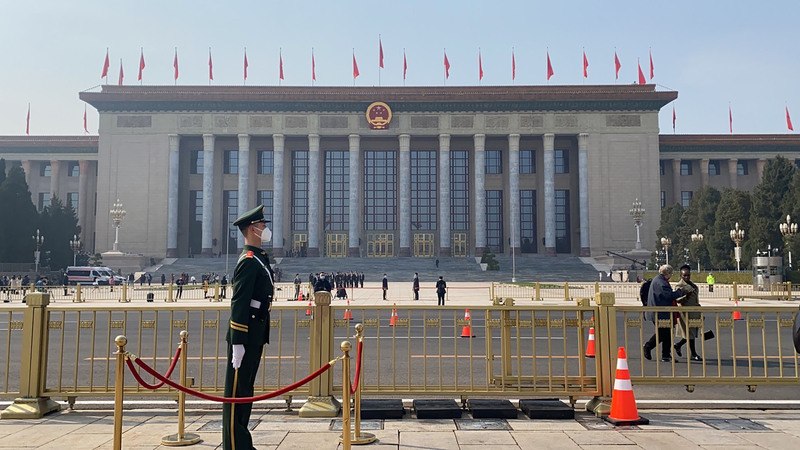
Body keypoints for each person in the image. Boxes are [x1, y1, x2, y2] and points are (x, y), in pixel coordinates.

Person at [223, 204, 274, 450]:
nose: (266, 229)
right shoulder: (248, 261)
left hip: (255, 334)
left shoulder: (259, 259)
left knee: (246, 391)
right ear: (253, 229)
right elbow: (239, 303)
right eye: (263, 225)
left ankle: (242, 442)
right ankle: (234, 445)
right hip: (245, 337)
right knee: (237, 394)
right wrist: (237, 343)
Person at [643, 265, 684, 362]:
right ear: (667, 273)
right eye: (671, 273)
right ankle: (648, 346)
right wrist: (679, 292)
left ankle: (666, 355)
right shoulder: (661, 283)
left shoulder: (658, 279)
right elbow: (669, 296)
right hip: (660, 313)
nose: (671, 275)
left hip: (660, 312)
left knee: (668, 333)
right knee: (662, 333)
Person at [674, 265, 703, 361]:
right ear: (680, 275)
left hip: (694, 312)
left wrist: (700, 312)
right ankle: (693, 354)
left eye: (688, 275)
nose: (687, 277)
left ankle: (678, 345)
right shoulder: (680, 286)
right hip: (685, 313)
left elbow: (696, 300)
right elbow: (677, 300)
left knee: (692, 333)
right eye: (684, 275)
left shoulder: (693, 285)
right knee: (690, 334)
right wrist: (686, 296)